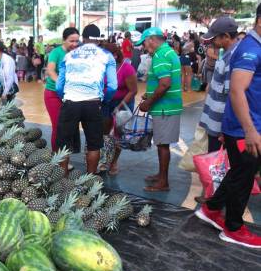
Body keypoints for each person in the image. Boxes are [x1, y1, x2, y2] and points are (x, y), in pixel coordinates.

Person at [195, 4, 261, 248]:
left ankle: (212, 208)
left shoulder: (247, 48)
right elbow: (235, 91)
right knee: (243, 177)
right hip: (246, 127)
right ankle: (233, 227)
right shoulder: (248, 50)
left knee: (239, 172)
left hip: (243, 125)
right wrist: (249, 130)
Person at [56, 24, 117, 174]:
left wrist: (64, 97)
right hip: (93, 103)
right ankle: (90, 178)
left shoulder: (69, 55)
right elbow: (113, 86)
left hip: (70, 103)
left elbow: (59, 86)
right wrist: (103, 100)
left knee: (64, 144)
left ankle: (62, 180)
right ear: (98, 39)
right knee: (94, 145)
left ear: (83, 38)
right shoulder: (107, 56)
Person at [137, 27, 183, 192]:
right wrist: (149, 95)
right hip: (167, 106)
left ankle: (163, 182)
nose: (143, 47)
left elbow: (165, 84)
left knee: (163, 144)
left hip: (165, 107)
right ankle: (161, 175)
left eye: (144, 43)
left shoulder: (160, 55)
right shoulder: (167, 52)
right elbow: (162, 82)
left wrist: (149, 102)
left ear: (151, 39)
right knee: (161, 143)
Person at [198, 17, 240, 153]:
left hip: (220, 127)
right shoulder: (227, 54)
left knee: (216, 165)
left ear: (226, 36)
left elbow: (232, 96)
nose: (212, 41)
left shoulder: (232, 58)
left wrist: (224, 129)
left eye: (215, 38)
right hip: (215, 123)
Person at [100, 42, 138, 175]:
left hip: (124, 103)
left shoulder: (126, 68)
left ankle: (114, 162)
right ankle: (105, 159)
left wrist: (119, 106)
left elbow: (133, 90)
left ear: (115, 56)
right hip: (106, 102)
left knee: (118, 134)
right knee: (104, 133)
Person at [44, 27, 81, 152]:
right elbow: (50, 70)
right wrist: (62, 84)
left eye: (77, 41)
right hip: (53, 93)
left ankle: (64, 156)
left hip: (70, 95)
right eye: (71, 41)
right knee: (58, 126)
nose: (75, 44)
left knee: (68, 126)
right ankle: (57, 157)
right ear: (63, 40)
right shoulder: (56, 52)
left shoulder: (76, 54)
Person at [0, 40, 19, 104]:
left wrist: (5, 93)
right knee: (4, 107)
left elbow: (10, 78)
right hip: (2, 88)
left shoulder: (7, 60)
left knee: (9, 109)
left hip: (9, 88)